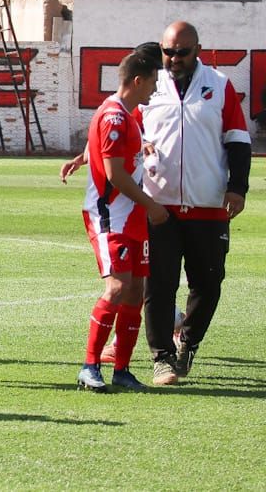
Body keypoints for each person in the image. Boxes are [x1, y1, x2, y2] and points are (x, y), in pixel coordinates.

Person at [63, 23, 252, 386]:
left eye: (182, 52)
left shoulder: (218, 85)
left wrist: (237, 187)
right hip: (157, 203)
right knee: (157, 285)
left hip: (208, 202)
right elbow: (116, 126)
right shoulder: (151, 83)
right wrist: (86, 155)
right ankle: (161, 357)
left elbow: (238, 139)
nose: (174, 59)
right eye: (168, 52)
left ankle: (188, 344)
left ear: (198, 50)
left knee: (208, 283)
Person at [71, 51, 167, 393]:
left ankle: (122, 370)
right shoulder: (113, 116)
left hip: (132, 217)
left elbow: (112, 154)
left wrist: (83, 157)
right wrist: (151, 205)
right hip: (111, 216)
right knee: (116, 288)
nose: (154, 89)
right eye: (152, 82)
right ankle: (89, 366)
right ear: (138, 81)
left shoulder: (126, 114)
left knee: (135, 291)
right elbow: (115, 174)